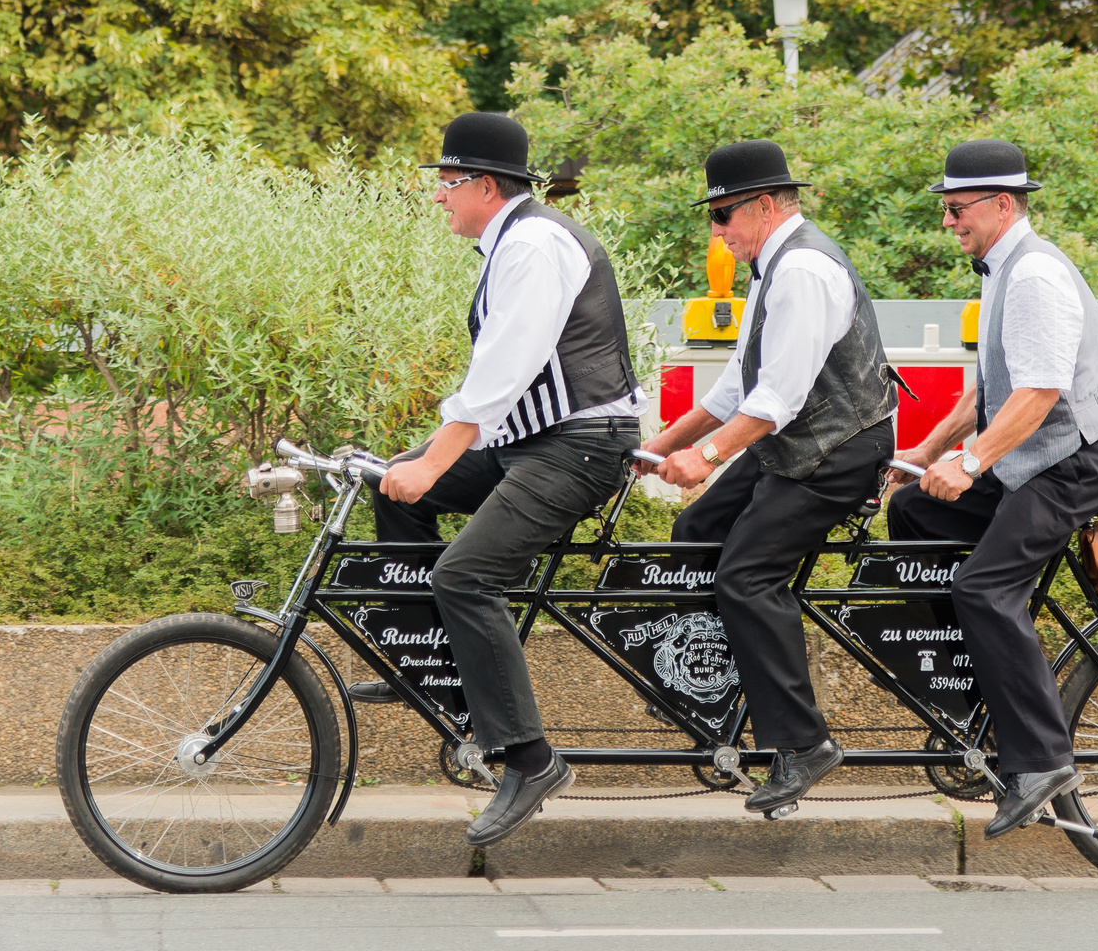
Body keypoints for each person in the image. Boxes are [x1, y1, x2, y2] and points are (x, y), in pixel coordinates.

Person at [347, 112, 646, 846]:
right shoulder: (510, 241)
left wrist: (436, 460)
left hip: (577, 449)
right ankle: (431, 668)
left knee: (465, 576)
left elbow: (504, 370)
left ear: (484, 185)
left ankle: (531, 760)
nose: (439, 197)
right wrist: (411, 465)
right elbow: (498, 387)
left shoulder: (536, 245)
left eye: (447, 184)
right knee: (392, 486)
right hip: (532, 442)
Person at [636, 139, 899, 815]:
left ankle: (803, 742)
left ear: (761, 207)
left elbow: (777, 397)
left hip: (835, 452)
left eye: (722, 216)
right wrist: (654, 447)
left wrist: (708, 456)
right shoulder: (771, 267)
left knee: (747, 576)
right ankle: (711, 684)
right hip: (793, 443)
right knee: (696, 530)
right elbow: (735, 388)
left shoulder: (804, 270)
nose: (717, 234)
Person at [886, 138, 1098, 838]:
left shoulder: (1033, 276)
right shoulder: (1000, 267)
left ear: (1001, 204)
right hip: (1033, 455)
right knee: (912, 513)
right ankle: (978, 691)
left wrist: (969, 463)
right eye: (945, 208)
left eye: (956, 208)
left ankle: (1041, 758)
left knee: (982, 589)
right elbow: (990, 386)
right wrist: (925, 453)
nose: (947, 221)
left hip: (1073, 460)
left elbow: (1038, 391)